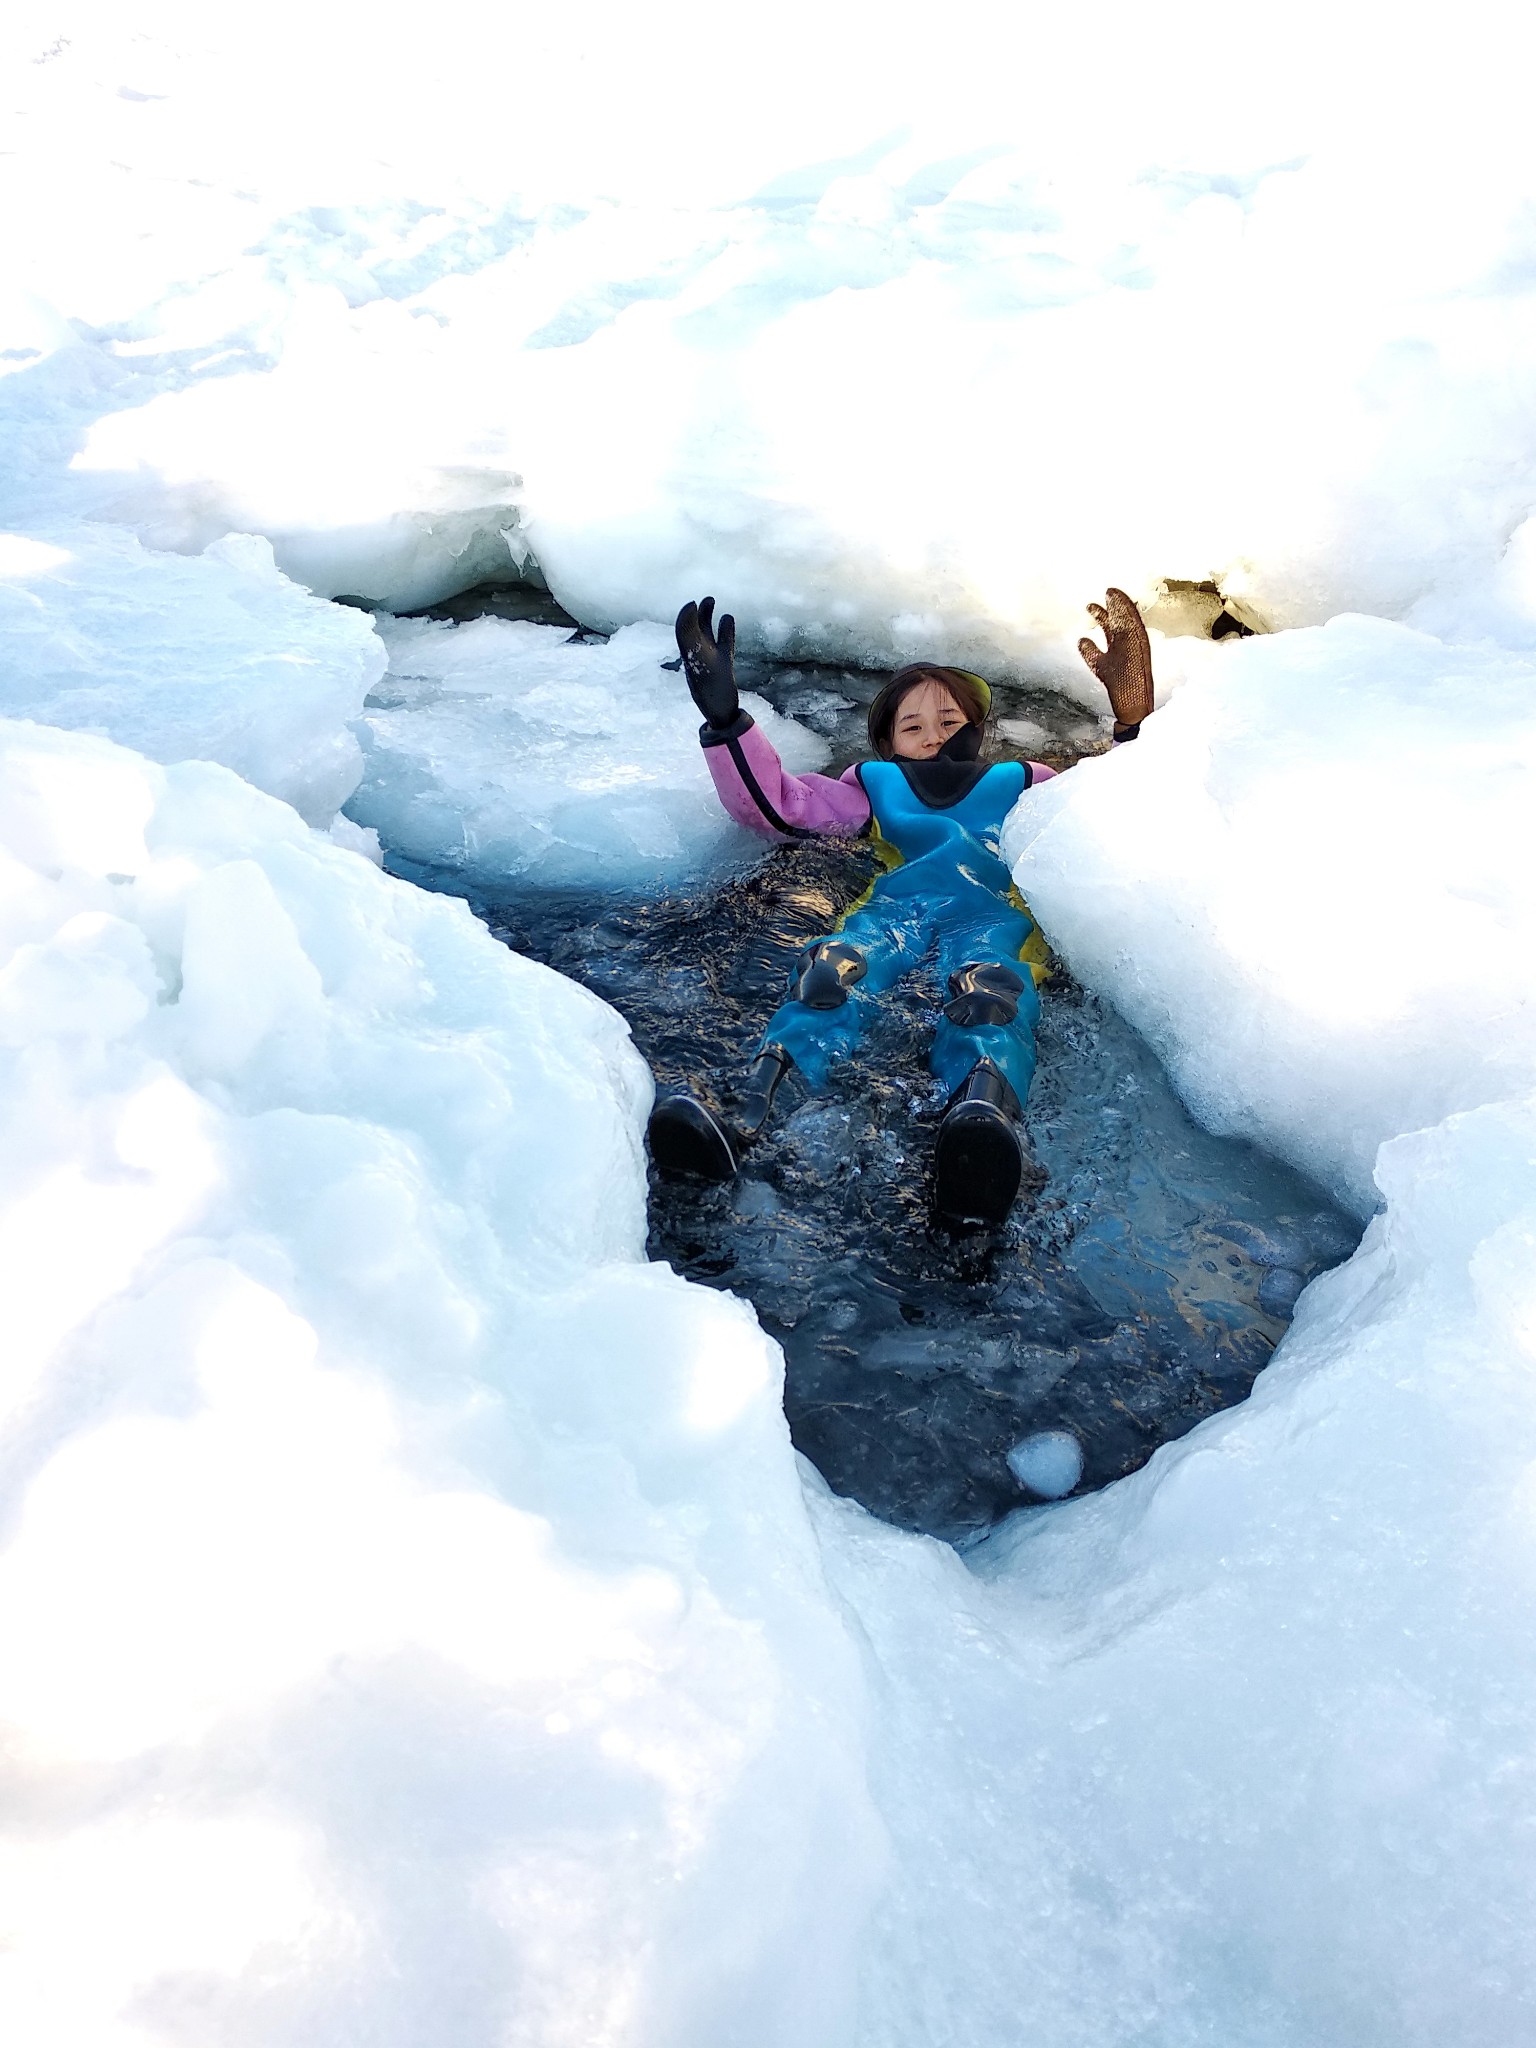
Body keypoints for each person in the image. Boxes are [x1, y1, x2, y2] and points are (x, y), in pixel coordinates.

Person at [647, 589, 1158, 1224]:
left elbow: (1116, 808)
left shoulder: (1028, 782)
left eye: (949, 721)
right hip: (894, 913)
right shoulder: (872, 786)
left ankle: (982, 1122)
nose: (933, 736)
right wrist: (728, 723)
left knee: (990, 993)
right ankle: (748, 1111)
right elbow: (780, 807)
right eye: (911, 727)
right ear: (888, 743)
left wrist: (1135, 726)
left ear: (979, 729)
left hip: (995, 917)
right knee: (829, 971)